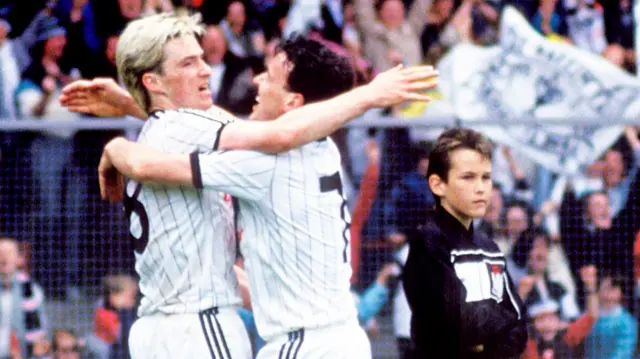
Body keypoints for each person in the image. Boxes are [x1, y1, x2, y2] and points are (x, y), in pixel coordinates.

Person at [60, 12, 437, 359]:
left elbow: (163, 151)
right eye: (189, 62)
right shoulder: (319, 152)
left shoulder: (262, 161)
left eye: (269, 76)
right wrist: (136, 103)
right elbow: (224, 127)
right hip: (308, 335)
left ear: (293, 101)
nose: (256, 79)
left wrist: (118, 142)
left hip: (292, 341)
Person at [401, 128, 528, 359]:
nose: (480, 188)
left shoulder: (490, 248)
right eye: (468, 177)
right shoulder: (427, 243)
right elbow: (453, 323)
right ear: (438, 184)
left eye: (486, 177)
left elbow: (518, 318)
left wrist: (493, 342)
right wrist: (496, 329)